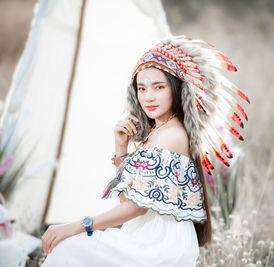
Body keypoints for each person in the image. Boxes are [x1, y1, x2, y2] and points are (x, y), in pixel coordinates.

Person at [41, 35, 249, 266]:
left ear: (176, 89)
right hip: (142, 237)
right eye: (142, 88)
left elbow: (136, 208)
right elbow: (126, 200)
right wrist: (120, 148)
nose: (148, 97)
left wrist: (77, 225)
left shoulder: (173, 136)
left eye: (158, 87)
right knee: (69, 247)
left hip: (160, 245)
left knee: (68, 247)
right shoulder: (156, 132)